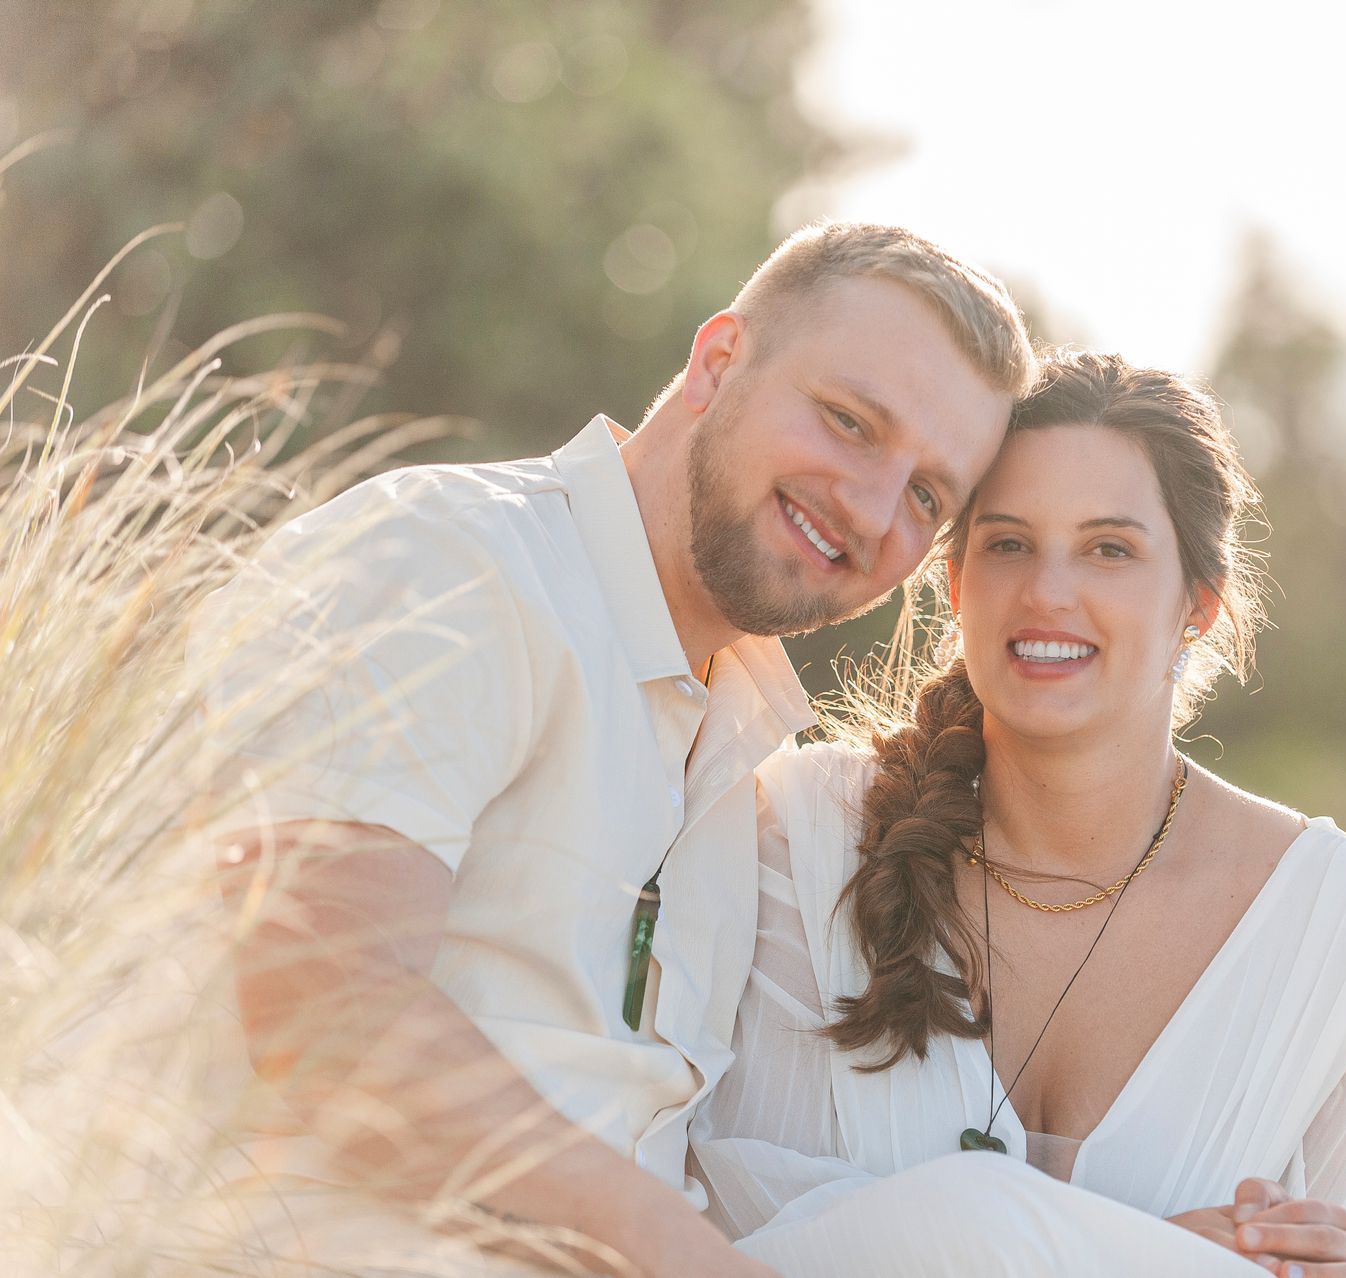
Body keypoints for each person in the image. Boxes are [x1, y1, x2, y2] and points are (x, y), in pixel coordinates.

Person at [193, 223, 1034, 1277]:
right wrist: (678, 1257)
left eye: (926, 496)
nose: (871, 510)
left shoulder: (749, 752)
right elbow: (324, 1001)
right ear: (718, 362)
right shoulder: (454, 565)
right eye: (850, 422)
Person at [692, 351, 1346, 1277]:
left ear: (1199, 606)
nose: (1049, 591)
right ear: (958, 585)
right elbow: (700, 1232)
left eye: (1109, 549)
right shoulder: (790, 836)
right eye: (1008, 542)